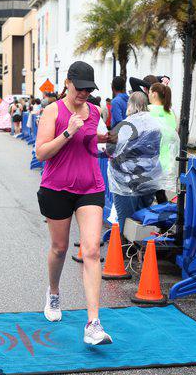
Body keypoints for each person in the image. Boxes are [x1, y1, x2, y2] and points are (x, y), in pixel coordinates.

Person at [35, 61, 112, 345]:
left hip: (90, 187)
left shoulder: (95, 111)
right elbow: (41, 153)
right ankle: (54, 292)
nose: (83, 93)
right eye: (79, 88)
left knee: (91, 250)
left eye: (88, 89)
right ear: (67, 83)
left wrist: (105, 142)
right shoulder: (52, 111)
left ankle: (93, 323)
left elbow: (90, 144)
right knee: (60, 248)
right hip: (57, 188)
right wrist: (67, 132)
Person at [108, 92, 174, 234]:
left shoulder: (126, 125)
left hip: (126, 180)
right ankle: (139, 244)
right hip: (148, 178)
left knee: (126, 219)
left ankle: (125, 244)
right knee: (142, 217)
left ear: (130, 105)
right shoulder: (155, 125)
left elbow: (113, 149)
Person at [148, 83, 179, 203]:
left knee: (147, 196)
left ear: (154, 94)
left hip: (150, 159)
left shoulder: (148, 110)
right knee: (160, 193)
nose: (148, 95)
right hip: (166, 159)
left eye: (149, 92)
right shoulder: (171, 112)